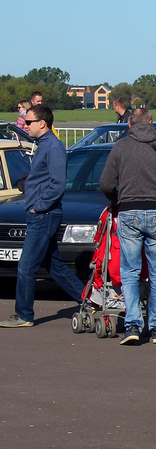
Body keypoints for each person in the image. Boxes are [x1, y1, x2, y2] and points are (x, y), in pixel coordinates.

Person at [99, 108, 156, 345]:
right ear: (152, 122)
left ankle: (133, 324)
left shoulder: (121, 146)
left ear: (129, 125)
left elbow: (106, 182)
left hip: (129, 210)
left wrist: (115, 198)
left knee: (130, 271)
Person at [0, 105, 85, 328]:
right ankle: (89, 301)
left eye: (28, 122)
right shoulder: (43, 145)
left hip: (44, 215)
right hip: (41, 213)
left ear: (42, 123)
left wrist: (39, 206)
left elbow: (58, 184)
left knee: (26, 266)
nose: (25, 125)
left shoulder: (54, 147)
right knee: (54, 265)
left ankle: (24, 315)